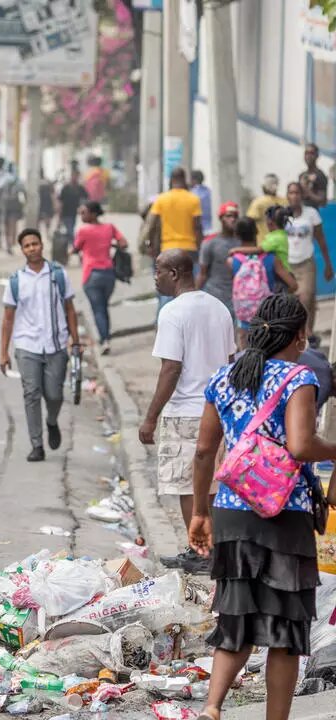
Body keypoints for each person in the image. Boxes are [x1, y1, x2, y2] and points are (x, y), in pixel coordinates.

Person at [189, 293, 336, 720]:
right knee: (285, 631)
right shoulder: (297, 377)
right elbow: (301, 445)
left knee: (237, 620)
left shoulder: (224, 377)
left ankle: (213, 707)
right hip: (282, 514)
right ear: (300, 335)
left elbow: (203, 451)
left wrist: (201, 512)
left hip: (233, 511)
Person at [138, 249, 236, 574]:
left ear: (175, 273)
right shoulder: (219, 308)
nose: (155, 277)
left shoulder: (172, 312)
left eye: (158, 270)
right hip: (219, 409)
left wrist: (151, 417)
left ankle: (200, 551)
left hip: (186, 410)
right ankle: (212, 548)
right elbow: (231, 361)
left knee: (187, 484)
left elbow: (171, 368)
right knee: (211, 485)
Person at [0, 229, 81, 462]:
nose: (32, 248)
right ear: (22, 250)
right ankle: (37, 445)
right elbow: (8, 318)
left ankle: (52, 421)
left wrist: (75, 341)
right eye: (27, 245)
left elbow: (69, 308)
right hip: (27, 346)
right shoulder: (16, 281)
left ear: (42, 245)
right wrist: (4, 352)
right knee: (31, 394)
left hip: (56, 345)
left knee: (55, 395)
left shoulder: (58, 275)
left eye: (35, 244)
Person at [229, 217, 298, 348]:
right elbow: (293, 285)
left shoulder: (232, 261)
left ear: (236, 235)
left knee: (247, 359)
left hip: (244, 323)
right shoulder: (271, 258)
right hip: (269, 320)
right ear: (256, 231)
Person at [282, 181, 334, 344]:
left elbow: (321, 239)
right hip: (288, 265)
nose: (294, 196)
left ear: (302, 195)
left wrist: (328, 264)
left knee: (305, 297)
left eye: (297, 192)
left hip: (306, 264)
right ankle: (301, 335)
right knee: (296, 302)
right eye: (291, 193)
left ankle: (305, 334)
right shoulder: (282, 215)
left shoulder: (311, 214)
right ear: (287, 196)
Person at [73, 201, 127, 355]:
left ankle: (104, 340)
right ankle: (106, 338)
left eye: (84, 213)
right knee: (103, 306)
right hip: (109, 273)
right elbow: (123, 243)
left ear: (93, 214)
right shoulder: (109, 228)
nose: (82, 216)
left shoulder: (83, 231)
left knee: (98, 309)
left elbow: (76, 249)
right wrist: (110, 245)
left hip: (91, 274)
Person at [149, 168, 205, 310]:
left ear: (171, 180)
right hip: (189, 249)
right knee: (189, 289)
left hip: (167, 249)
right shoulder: (193, 199)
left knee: (166, 289)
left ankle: (163, 322)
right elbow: (197, 226)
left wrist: (151, 247)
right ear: (184, 179)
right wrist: (200, 248)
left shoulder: (161, 199)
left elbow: (152, 225)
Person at [197, 202, 241, 313]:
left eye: (235, 216)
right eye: (229, 216)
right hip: (216, 296)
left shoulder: (242, 241)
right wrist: (192, 295)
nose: (233, 219)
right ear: (221, 218)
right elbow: (203, 274)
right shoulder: (210, 243)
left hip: (238, 297)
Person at [246, 174, 286, 238]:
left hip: (271, 241)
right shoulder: (258, 202)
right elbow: (249, 221)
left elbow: (248, 221)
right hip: (269, 241)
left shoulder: (258, 202)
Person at [56, 167, 89, 239]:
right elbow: (60, 200)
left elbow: (86, 198)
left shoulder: (80, 188)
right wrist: (59, 213)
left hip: (74, 212)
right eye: (73, 175)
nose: (75, 177)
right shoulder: (66, 187)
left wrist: (83, 208)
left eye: (76, 176)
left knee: (71, 228)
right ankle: (74, 244)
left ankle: (71, 244)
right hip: (65, 212)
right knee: (70, 229)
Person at [300, 142, 328, 209]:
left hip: (314, 216)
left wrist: (306, 189)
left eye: (311, 153)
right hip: (302, 215)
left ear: (317, 156)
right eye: (306, 153)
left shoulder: (320, 175)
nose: (308, 156)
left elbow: (323, 201)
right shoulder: (302, 175)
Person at [190, 170, 214, 235]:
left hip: (198, 230)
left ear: (193, 180)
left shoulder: (191, 194)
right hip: (211, 228)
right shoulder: (209, 192)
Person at [37, 173, 55, 237]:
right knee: (47, 221)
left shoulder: (38, 183)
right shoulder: (48, 182)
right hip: (47, 203)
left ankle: (42, 233)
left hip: (41, 203)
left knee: (40, 221)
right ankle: (47, 233)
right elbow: (52, 194)